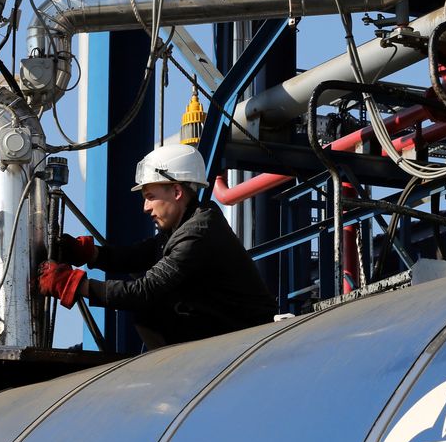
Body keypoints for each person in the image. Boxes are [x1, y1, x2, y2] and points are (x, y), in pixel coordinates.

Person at [37, 144, 276, 349]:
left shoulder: (198, 234)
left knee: (151, 307)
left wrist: (74, 285)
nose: (145, 208)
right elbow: (139, 255)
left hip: (247, 339)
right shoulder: (187, 224)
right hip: (235, 333)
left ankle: (183, 371)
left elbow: (145, 291)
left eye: (150, 196)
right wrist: (91, 253)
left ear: (176, 191)